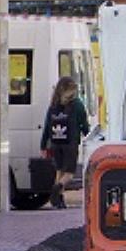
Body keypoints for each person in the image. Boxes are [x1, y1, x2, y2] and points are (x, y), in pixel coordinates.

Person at [41, 76, 90, 209]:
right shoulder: (77, 104)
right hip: (70, 143)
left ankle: (58, 200)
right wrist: (88, 135)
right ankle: (57, 188)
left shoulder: (53, 105)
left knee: (59, 171)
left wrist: (43, 145)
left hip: (55, 143)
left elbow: (47, 127)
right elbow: (84, 124)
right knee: (69, 174)